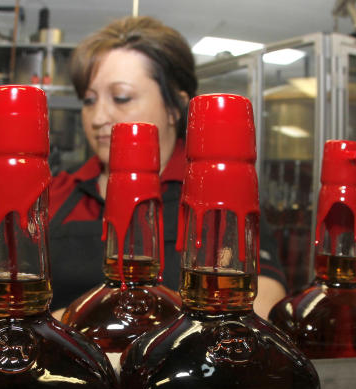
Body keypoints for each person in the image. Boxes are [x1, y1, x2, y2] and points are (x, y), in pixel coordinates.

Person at [48, 16, 287, 318]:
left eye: (121, 97)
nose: (98, 117)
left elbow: (263, 303)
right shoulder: (58, 194)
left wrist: (93, 322)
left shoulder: (214, 196)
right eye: (89, 101)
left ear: (175, 106)